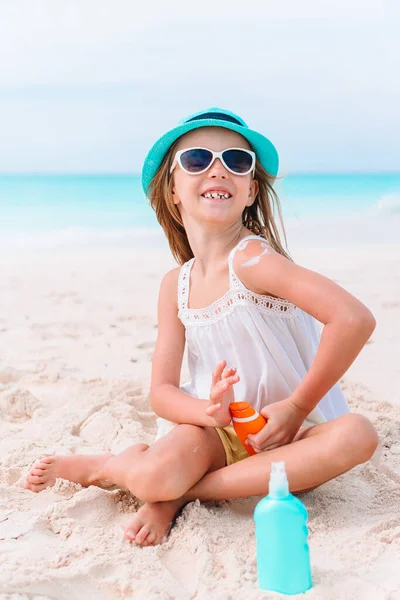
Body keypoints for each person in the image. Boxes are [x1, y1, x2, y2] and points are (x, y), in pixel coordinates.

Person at [25, 107, 379, 547]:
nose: (218, 170)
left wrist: (294, 408)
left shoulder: (254, 261)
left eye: (236, 161)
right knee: (154, 475)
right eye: (196, 160)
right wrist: (207, 414)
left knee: (357, 434)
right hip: (217, 435)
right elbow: (161, 392)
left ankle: (181, 495)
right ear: (172, 189)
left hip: (291, 436)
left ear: (251, 190)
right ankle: (106, 467)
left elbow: (354, 319)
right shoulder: (176, 284)